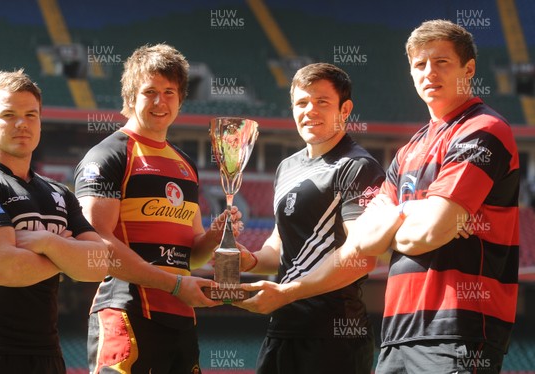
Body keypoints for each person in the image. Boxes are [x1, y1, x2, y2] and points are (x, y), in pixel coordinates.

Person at [239, 19, 520, 374]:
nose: (429, 72)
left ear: (470, 69)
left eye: (441, 62)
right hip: (398, 331)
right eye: (420, 64)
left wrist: (406, 220)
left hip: (458, 327)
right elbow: (369, 240)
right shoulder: (408, 150)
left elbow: (428, 232)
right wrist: (418, 210)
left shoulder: (483, 131)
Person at [74, 43, 238, 374]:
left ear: (180, 100)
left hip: (180, 316)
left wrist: (217, 234)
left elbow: (192, 256)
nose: (161, 102)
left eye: (170, 92)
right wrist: (174, 284)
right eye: (150, 92)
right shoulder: (108, 156)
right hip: (127, 312)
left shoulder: (185, 164)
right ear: (131, 97)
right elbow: (96, 242)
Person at [0, 69, 108, 374]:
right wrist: (68, 255)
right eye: (8, 115)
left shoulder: (59, 192)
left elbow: (98, 264)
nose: (22, 123)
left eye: (31, 114)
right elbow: (2, 267)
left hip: (48, 357)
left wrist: (47, 242)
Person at [234, 63, 385, 373]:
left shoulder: (357, 167)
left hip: (333, 335)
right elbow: (277, 249)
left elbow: (363, 255)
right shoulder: (286, 167)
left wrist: (288, 292)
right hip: (283, 328)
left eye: (322, 102)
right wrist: (243, 259)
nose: (309, 110)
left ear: (345, 109)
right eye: (302, 103)